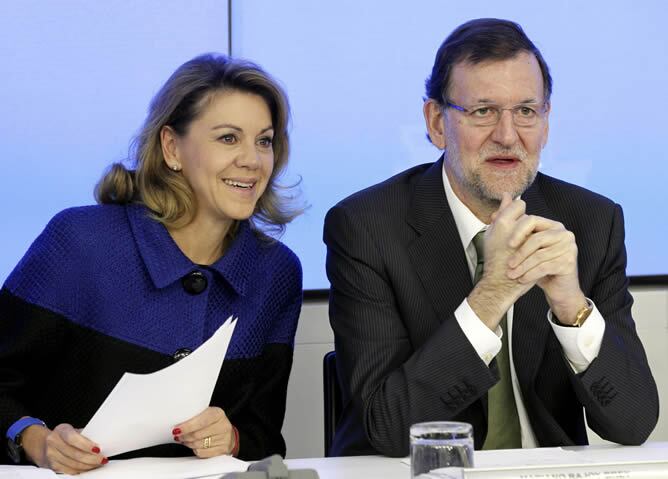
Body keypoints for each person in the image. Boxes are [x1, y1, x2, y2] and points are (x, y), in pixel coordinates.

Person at [323, 18, 658, 457]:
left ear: (546, 121)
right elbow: (386, 426)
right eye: (483, 111)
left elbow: (633, 424)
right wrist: (492, 294)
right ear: (436, 122)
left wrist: (573, 308)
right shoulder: (366, 227)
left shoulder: (591, 221)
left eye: (525, 111)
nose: (507, 135)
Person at [0, 53, 303, 473]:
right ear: (172, 147)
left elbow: (265, 437)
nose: (252, 160)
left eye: (264, 141)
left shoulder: (277, 273)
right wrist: (37, 441)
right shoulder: (79, 242)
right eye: (229, 138)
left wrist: (230, 437)